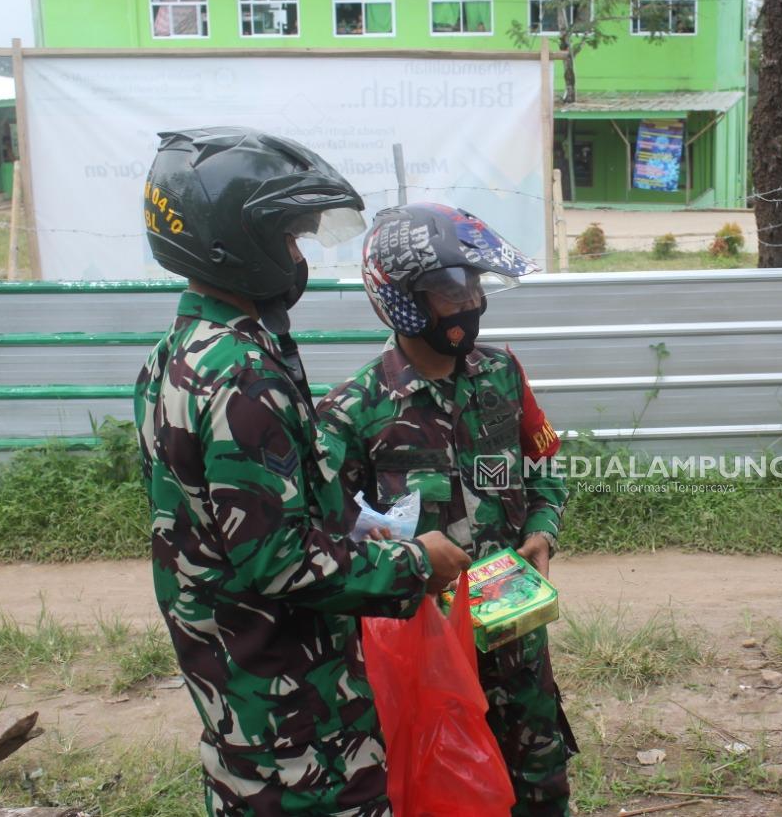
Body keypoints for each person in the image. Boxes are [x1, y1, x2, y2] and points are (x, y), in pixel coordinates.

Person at [133, 127, 471, 816]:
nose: (297, 257)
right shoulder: (244, 377)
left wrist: (361, 529)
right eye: (290, 238)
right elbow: (280, 562)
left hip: (237, 702)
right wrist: (413, 563)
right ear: (234, 241)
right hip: (294, 725)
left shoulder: (175, 355)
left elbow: (242, 521)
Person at [317, 202, 576, 816]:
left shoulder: (502, 375)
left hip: (516, 643)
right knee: (443, 795)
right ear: (401, 300)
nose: (468, 304)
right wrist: (405, 564)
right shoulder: (352, 413)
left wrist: (542, 532)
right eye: (447, 291)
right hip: (427, 661)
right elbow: (327, 544)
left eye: (474, 285)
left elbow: (542, 473)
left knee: (540, 789)